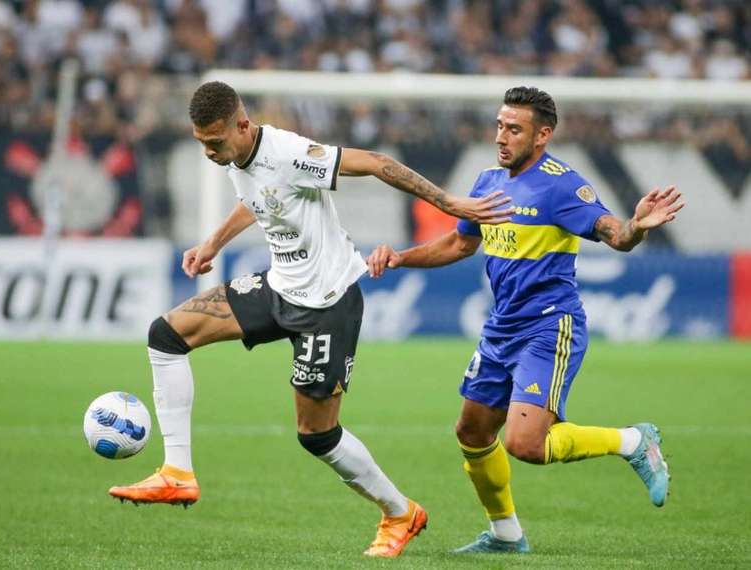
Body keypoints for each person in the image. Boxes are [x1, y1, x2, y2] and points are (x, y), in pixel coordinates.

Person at [108, 81, 513, 558]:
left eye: (215, 142)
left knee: (317, 435)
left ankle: (400, 512)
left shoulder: (291, 152)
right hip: (280, 287)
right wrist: (214, 243)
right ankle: (177, 473)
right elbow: (260, 199)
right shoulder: (238, 156)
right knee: (166, 335)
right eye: (201, 144)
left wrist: (450, 204)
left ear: (243, 125)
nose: (209, 153)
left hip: (328, 304)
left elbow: (379, 164)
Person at [366, 86, 684, 554]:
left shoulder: (561, 185)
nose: (501, 136)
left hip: (548, 325)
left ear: (542, 135)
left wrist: (636, 226)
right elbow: (459, 245)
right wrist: (400, 258)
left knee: (526, 444)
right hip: (501, 327)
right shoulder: (487, 181)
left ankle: (634, 441)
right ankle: (505, 535)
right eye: (499, 125)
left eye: (514, 128)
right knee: (471, 432)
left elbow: (615, 234)